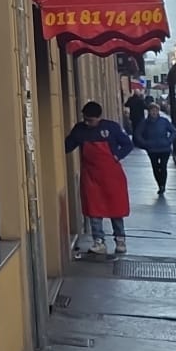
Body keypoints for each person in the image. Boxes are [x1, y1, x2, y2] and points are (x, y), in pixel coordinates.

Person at [65, 101, 133, 257]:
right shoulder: (80, 130)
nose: (87, 123)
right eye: (85, 119)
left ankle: (120, 240)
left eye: (90, 120)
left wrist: (117, 156)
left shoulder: (111, 128)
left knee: (116, 209)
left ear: (98, 118)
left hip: (112, 176)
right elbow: (67, 146)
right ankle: (99, 242)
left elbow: (127, 144)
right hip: (91, 176)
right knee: (94, 209)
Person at [135, 98, 176, 195]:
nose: (154, 112)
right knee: (155, 167)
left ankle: (163, 185)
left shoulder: (164, 121)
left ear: (158, 111)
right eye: (152, 110)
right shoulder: (144, 123)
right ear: (149, 112)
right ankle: (159, 184)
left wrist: (169, 141)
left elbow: (173, 131)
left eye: (156, 110)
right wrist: (145, 143)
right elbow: (137, 134)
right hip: (152, 149)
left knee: (163, 166)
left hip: (164, 148)